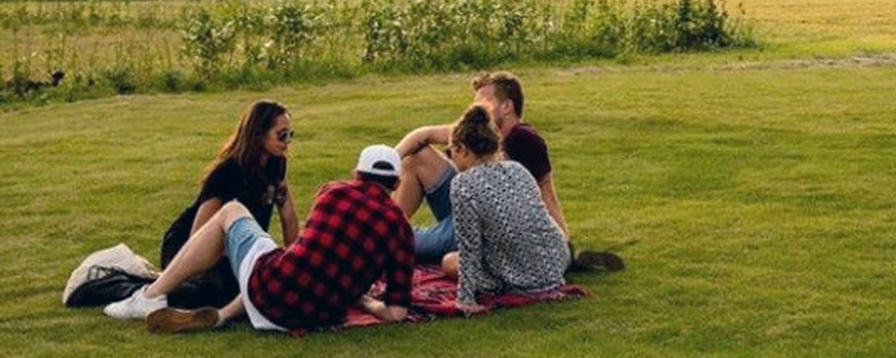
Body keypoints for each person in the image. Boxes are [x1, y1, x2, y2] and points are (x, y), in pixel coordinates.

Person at [105, 145, 414, 334]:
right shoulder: (401, 229)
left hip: (271, 289)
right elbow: (396, 313)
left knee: (232, 212)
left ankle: (149, 296)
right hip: (318, 316)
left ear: (357, 174)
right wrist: (366, 301)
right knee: (284, 267)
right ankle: (221, 316)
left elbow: (310, 247)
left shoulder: (332, 192)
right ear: (397, 183)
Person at [393, 71, 567, 263]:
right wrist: (390, 159)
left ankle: (387, 237)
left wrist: (562, 243)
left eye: (483, 104)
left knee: (394, 241)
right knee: (417, 157)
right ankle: (388, 220)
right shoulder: (477, 131)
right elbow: (424, 134)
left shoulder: (523, 139)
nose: (477, 109)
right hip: (466, 204)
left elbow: (546, 190)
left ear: (507, 106)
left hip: (484, 226)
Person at [156, 100, 299, 315]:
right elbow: (198, 233)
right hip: (188, 248)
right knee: (224, 293)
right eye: (281, 135)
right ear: (259, 134)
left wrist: (294, 263)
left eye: (290, 134)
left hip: (233, 251)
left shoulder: (276, 164)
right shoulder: (228, 172)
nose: (287, 141)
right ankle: (151, 291)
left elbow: (288, 216)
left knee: (260, 286)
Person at [440, 105, 571, 312]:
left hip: (520, 277)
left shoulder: (463, 184)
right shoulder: (518, 169)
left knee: (449, 261)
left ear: (462, 149)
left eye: (450, 152)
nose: (450, 158)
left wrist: (465, 300)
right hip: (557, 261)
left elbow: (470, 247)